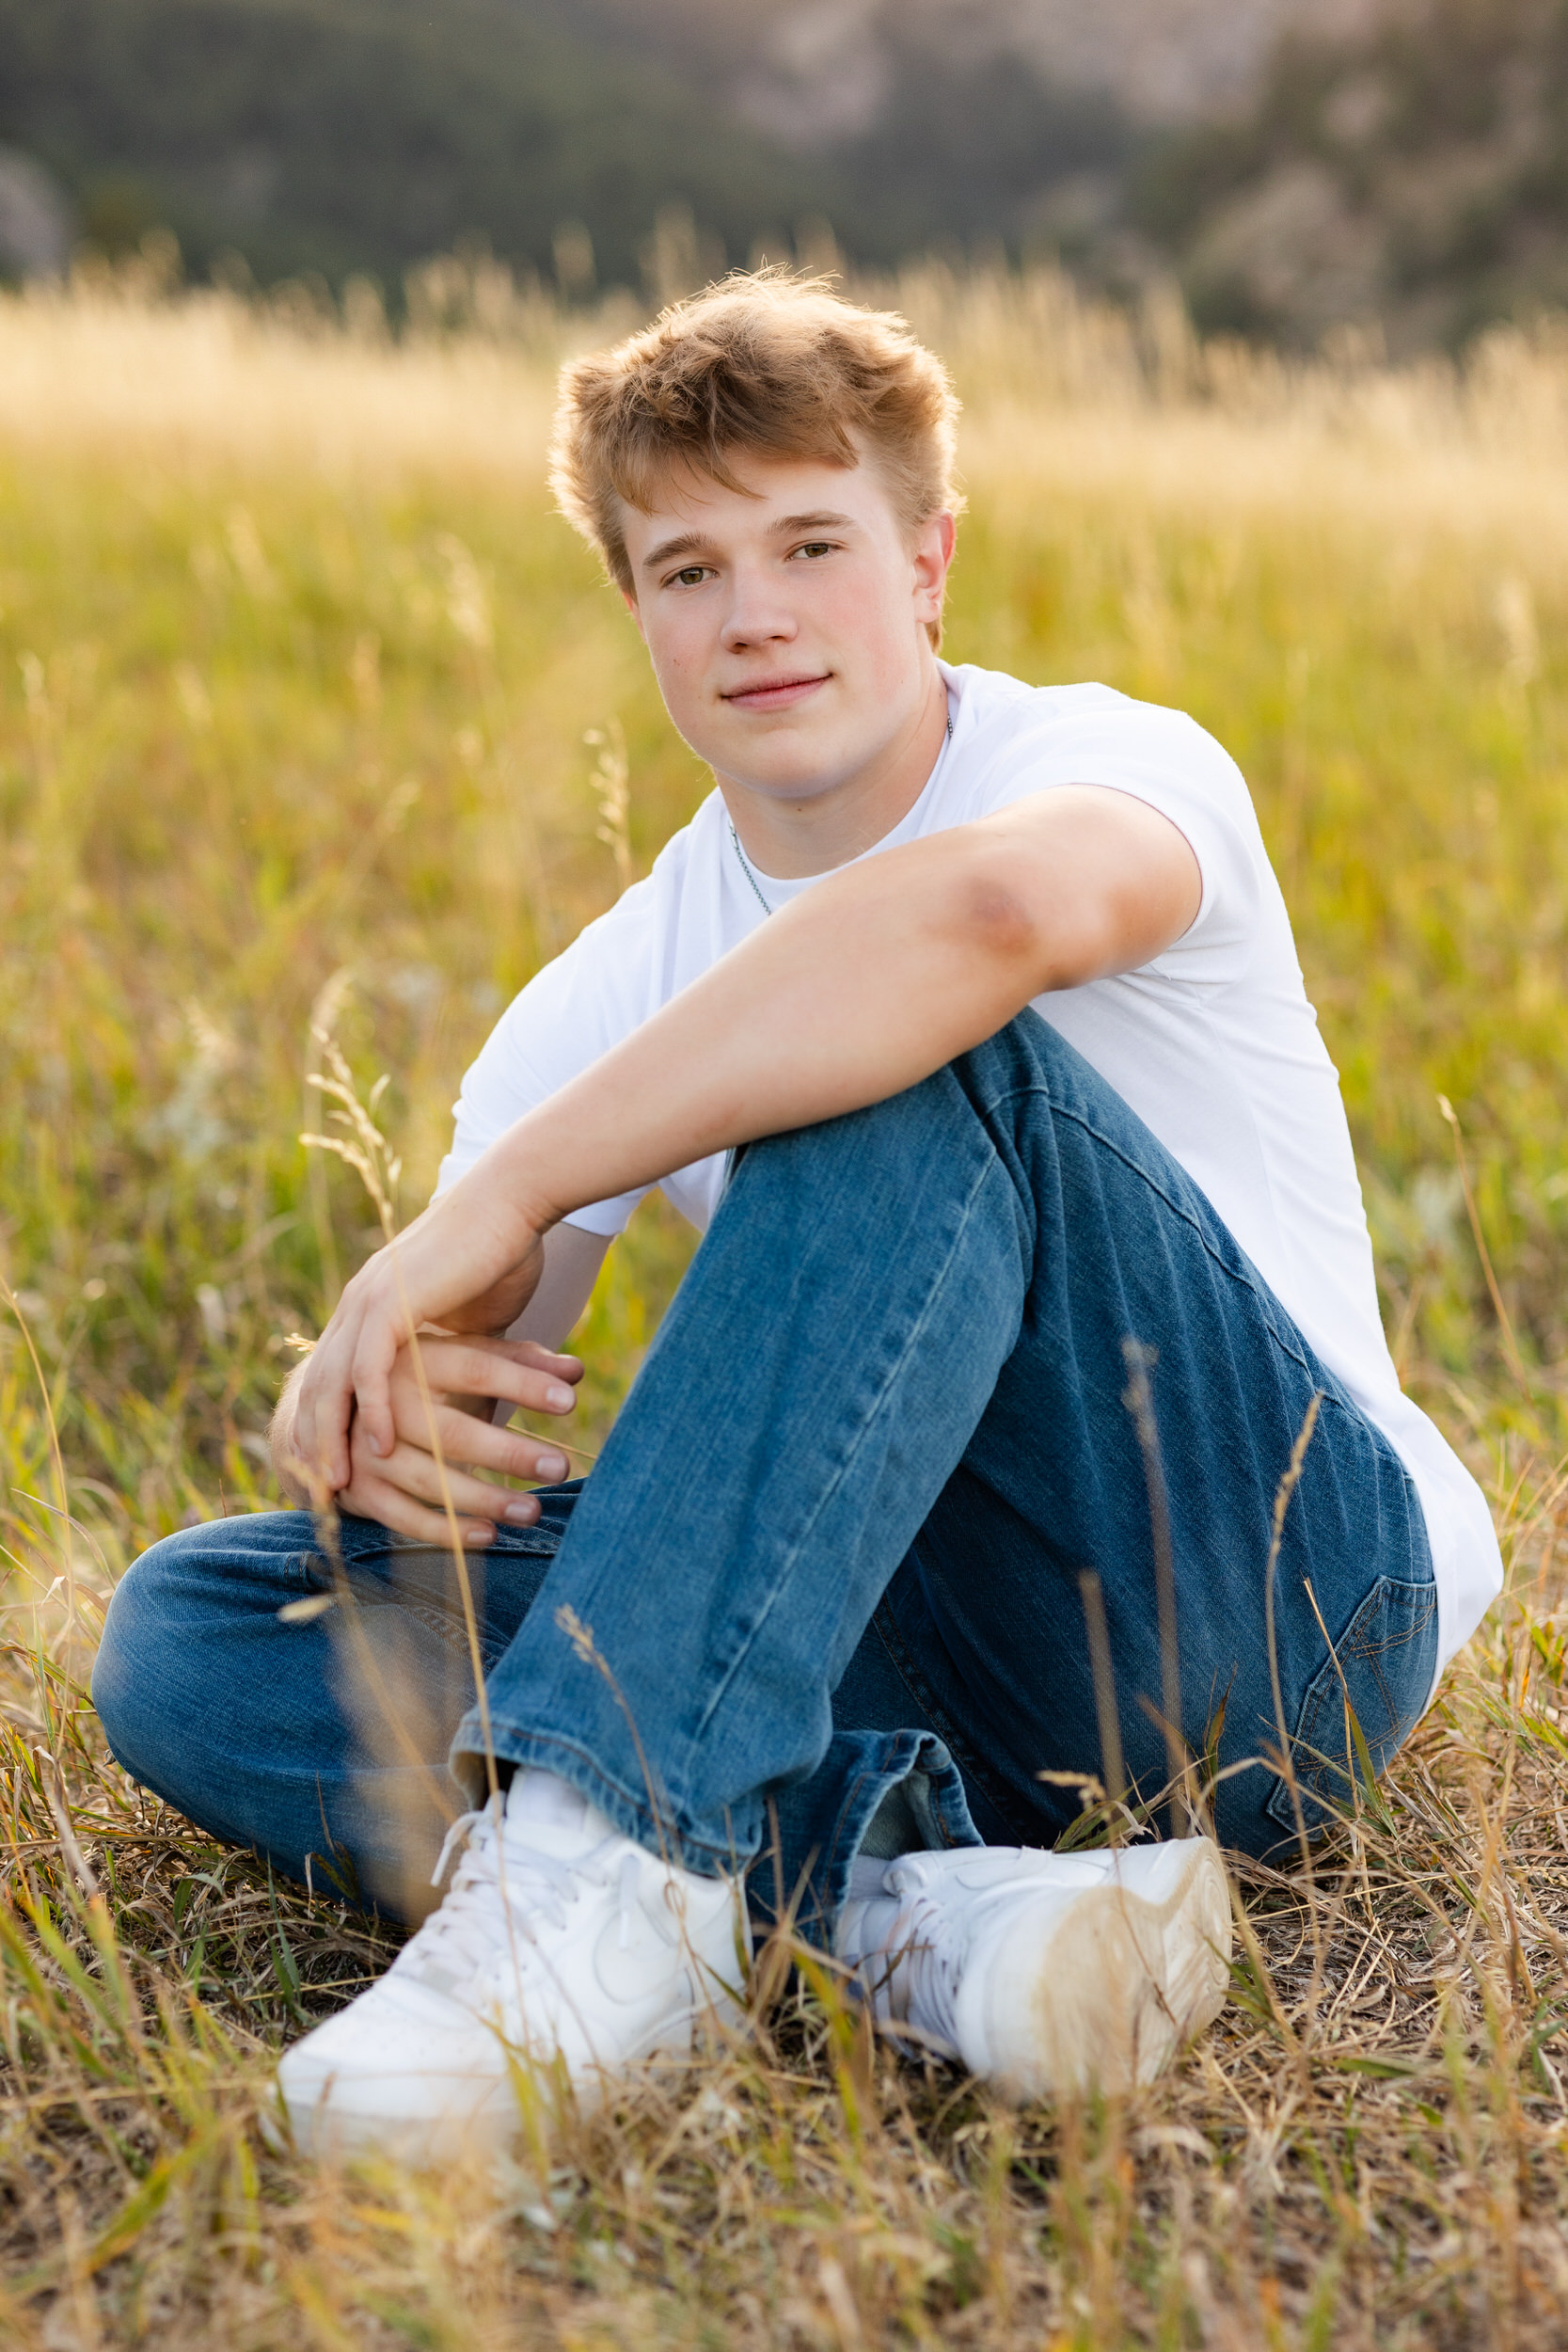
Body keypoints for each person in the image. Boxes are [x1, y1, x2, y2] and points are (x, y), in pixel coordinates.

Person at [91, 273, 1500, 2163]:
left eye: (810, 543)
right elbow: (477, 1434)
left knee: (901, 1051)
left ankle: (605, 1865)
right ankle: (922, 1899)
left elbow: (974, 933)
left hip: (1273, 1606)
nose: (754, 612)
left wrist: (513, 1184)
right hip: (915, 1656)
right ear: (638, 611)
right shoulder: (590, 1003)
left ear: (926, 560)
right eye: (686, 569)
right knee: (206, 1623)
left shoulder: (1119, 769)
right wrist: (382, 1422)